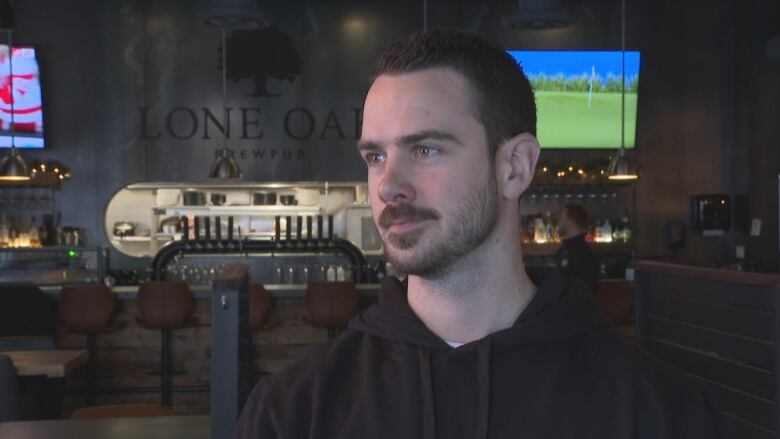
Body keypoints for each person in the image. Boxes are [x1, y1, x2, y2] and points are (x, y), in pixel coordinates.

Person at [235, 29, 726, 438]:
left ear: (515, 166)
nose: (388, 186)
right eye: (376, 157)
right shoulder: (293, 411)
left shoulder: (659, 411)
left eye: (425, 150)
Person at [555, 203, 599, 295]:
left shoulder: (584, 255)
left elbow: (586, 292)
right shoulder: (563, 250)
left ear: (570, 222)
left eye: (561, 218)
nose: (558, 223)